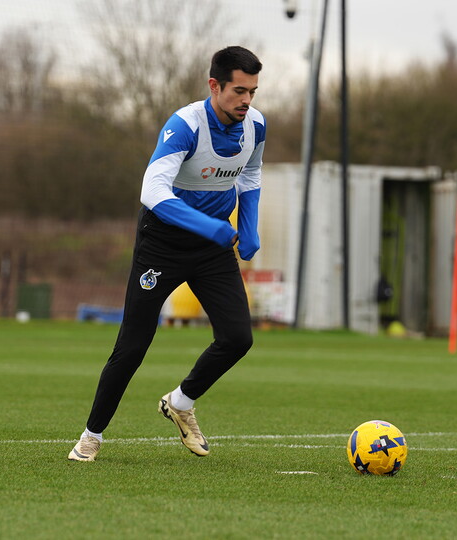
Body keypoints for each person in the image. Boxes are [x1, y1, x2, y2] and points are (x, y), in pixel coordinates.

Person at [69, 46, 266, 462]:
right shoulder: (186, 125)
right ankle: (92, 436)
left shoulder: (256, 126)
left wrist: (248, 227)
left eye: (252, 91)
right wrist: (209, 225)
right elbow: (152, 190)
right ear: (214, 86)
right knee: (133, 346)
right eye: (238, 91)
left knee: (238, 338)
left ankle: (180, 402)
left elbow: (250, 174)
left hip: (212, 250)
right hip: (163, 244)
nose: (247, 101)